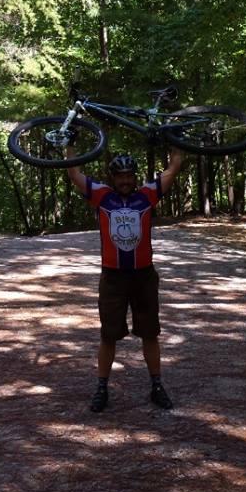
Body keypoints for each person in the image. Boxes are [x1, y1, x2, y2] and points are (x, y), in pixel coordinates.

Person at [66, 147, 184, 413]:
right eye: (120, 176)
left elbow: (174, 167)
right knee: (109, 335)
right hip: (113, 278)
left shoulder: (146, 196)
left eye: (129, 175)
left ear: (135, 176)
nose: (126, 181)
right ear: (112, 178)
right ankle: (101, 388)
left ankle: (156, 386)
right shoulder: (102, 197)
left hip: (143, 276)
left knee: (150, 333)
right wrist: (70, 144)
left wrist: (175, 140)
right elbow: (73, 172)